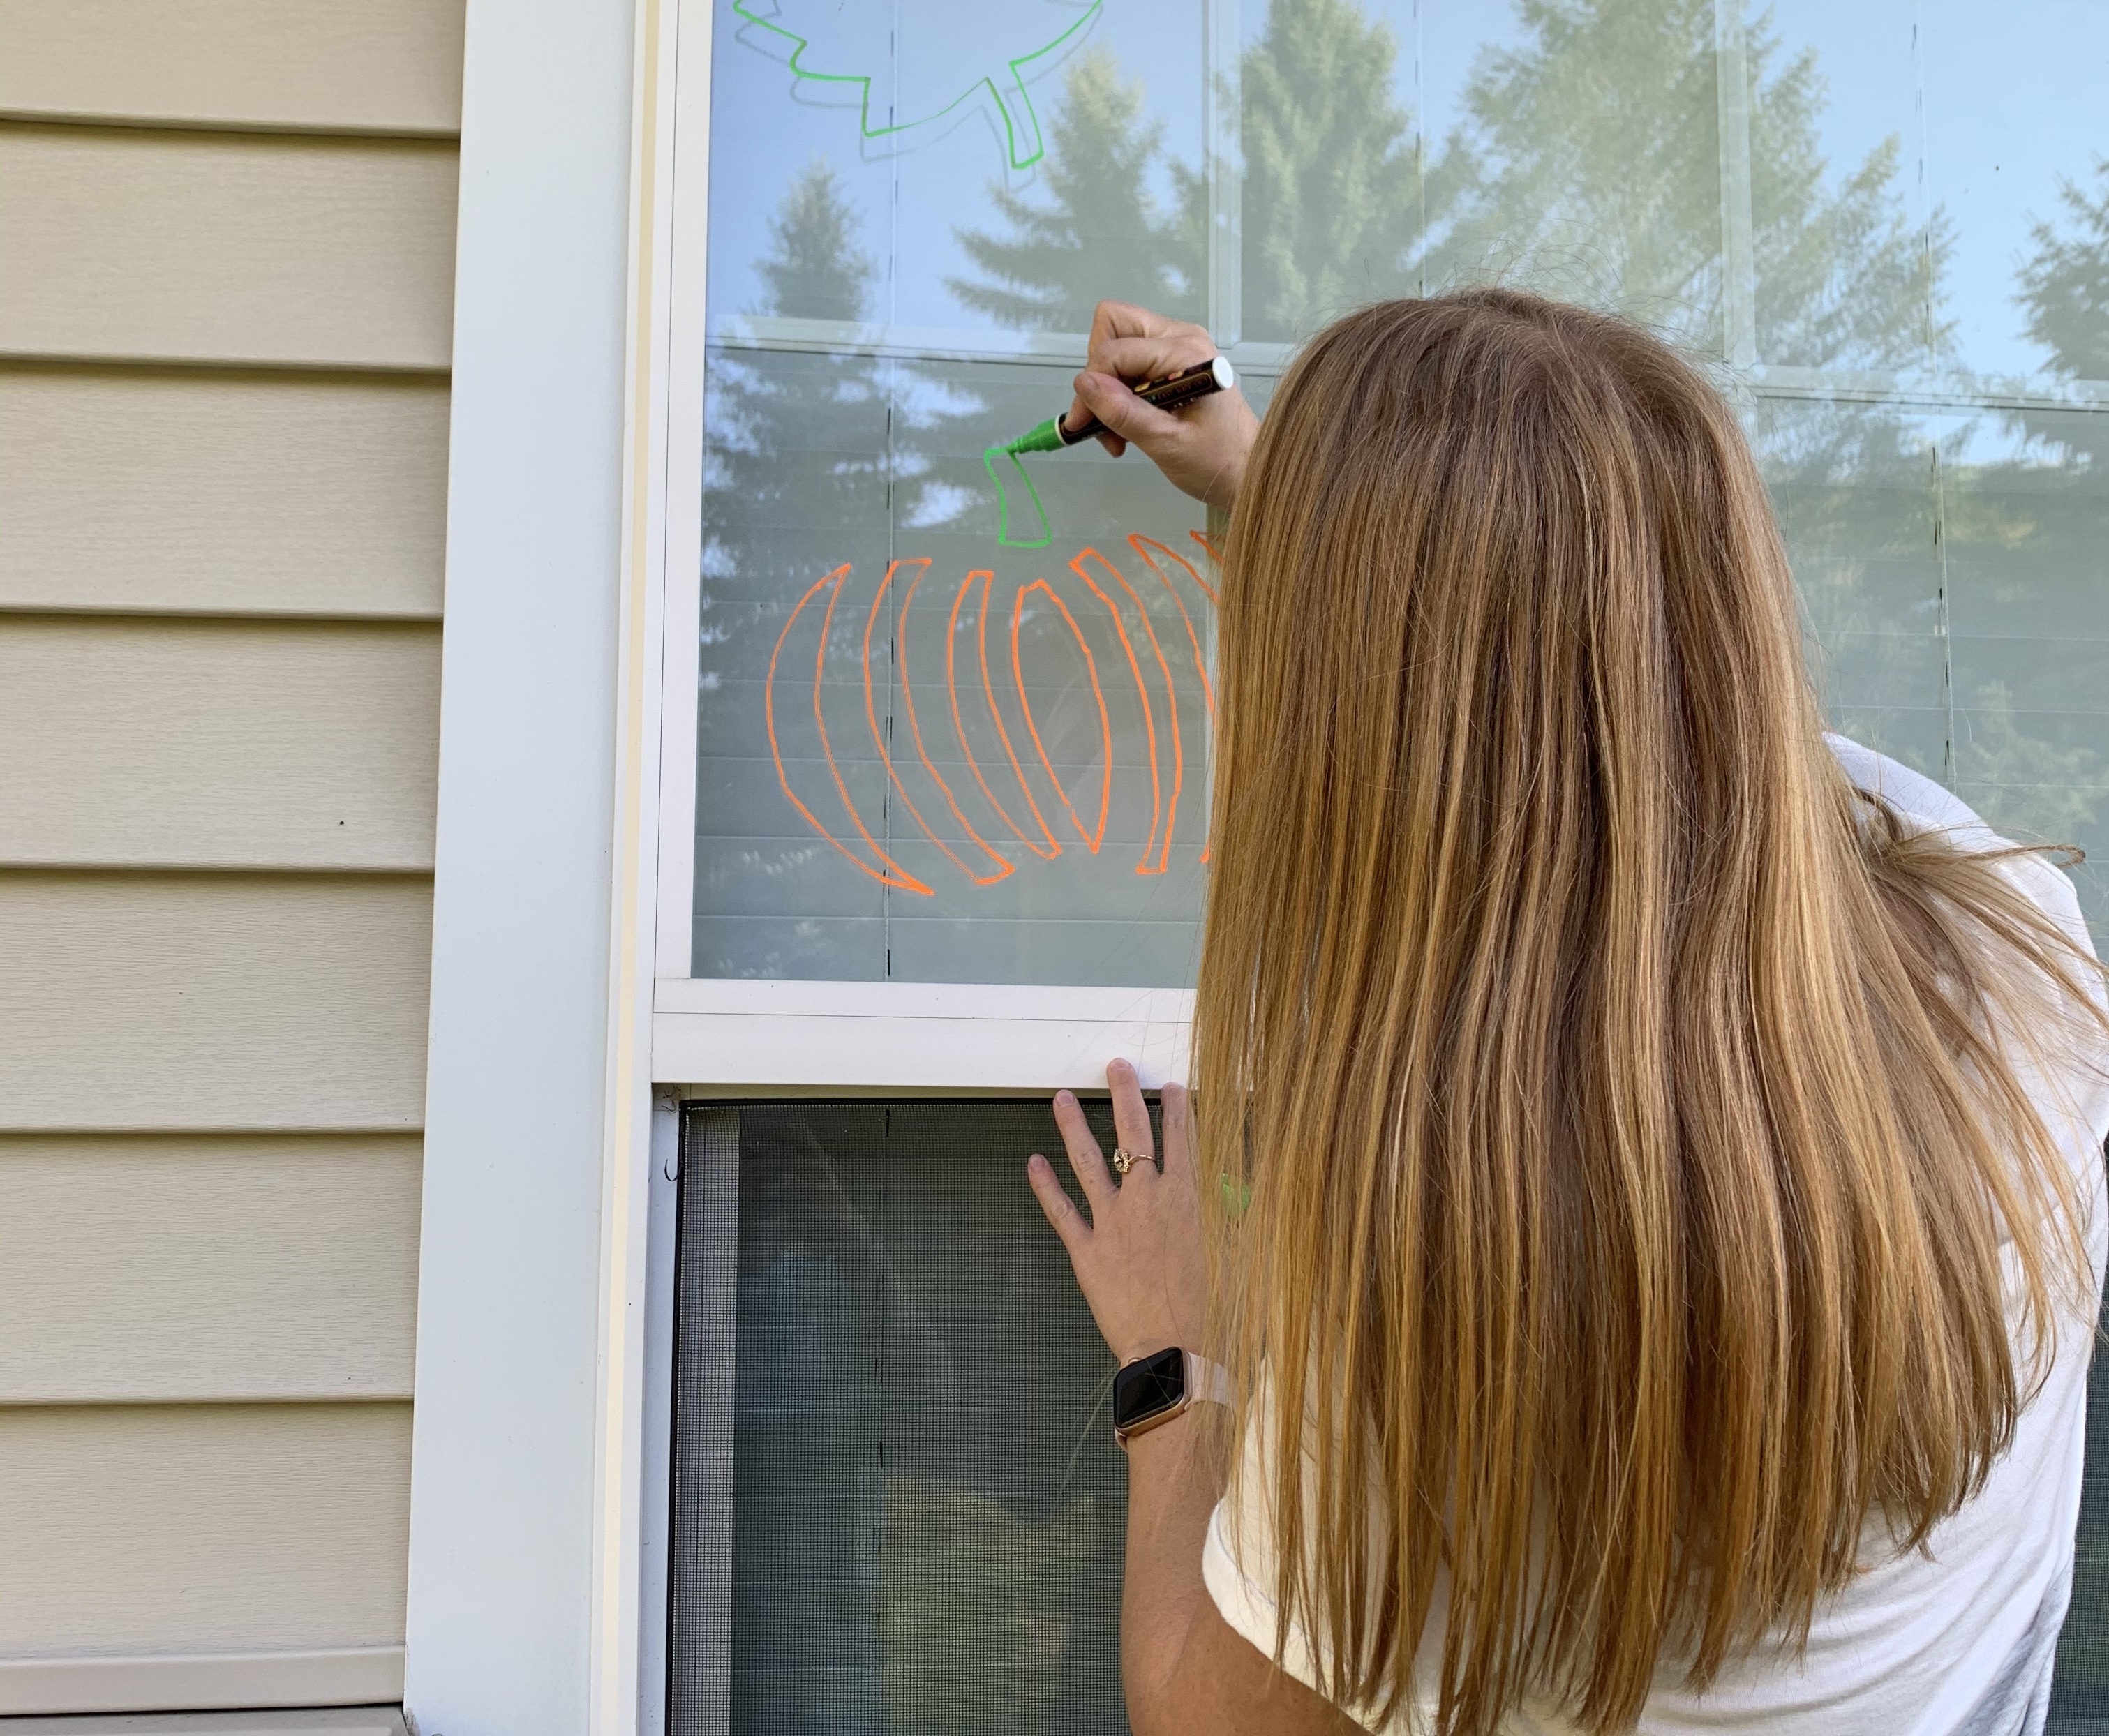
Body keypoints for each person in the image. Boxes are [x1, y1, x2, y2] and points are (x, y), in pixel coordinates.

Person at [1022, 292, 2109, 1736]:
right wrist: (1286, 482)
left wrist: (1177, 1366)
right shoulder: (2017, 951)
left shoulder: (1429, 1349)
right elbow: (1609, 696)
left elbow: (1200, 1708)